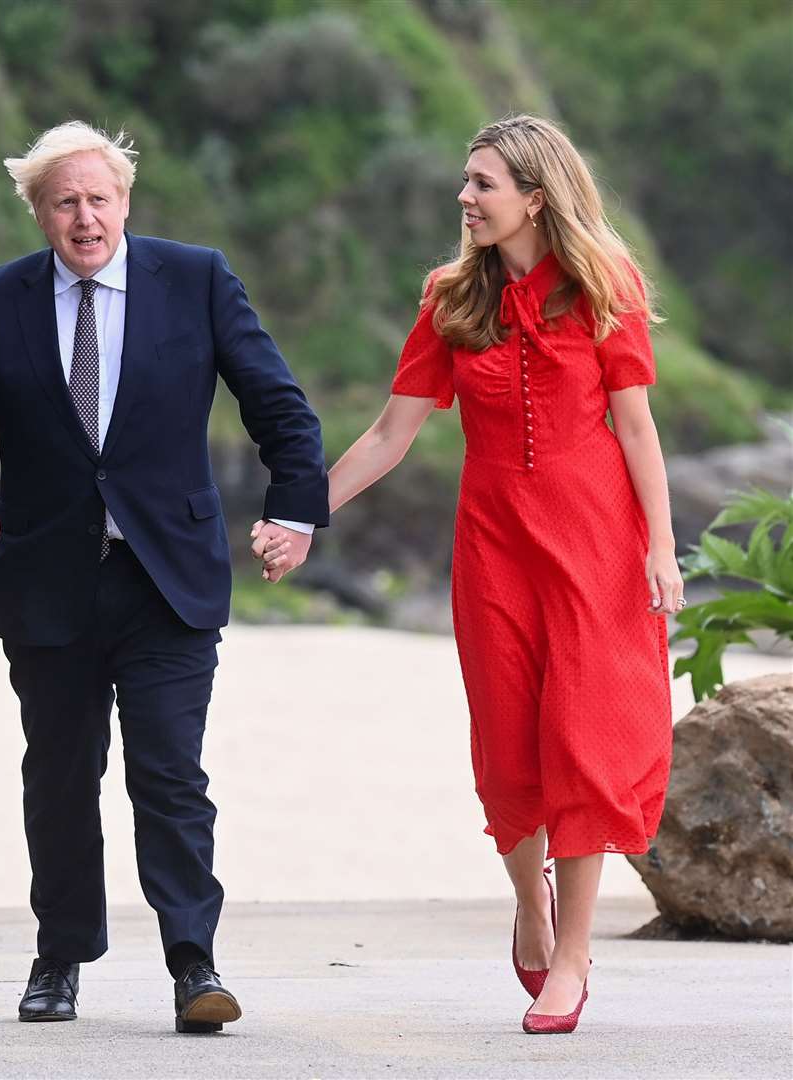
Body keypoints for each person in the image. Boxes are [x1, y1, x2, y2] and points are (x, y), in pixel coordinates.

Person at [265, 115, 682, 1034]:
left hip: (595, 547)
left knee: (581, 742)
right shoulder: (451, 298)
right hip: (494, 550)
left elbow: (638, 428)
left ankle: (572, 960)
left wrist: (660, 546)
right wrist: (303, 518)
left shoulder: (603, 285)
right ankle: (528, 905)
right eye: (466, 182)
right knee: (508, 749)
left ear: (536, 195)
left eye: (483, 183)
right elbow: (389, 434)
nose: (465, 197)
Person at [0, 121, 328, 1033]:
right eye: (64, 201)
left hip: (166, 579)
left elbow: (282, 411)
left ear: (127, 202)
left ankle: (193, 962)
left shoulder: (197, 279)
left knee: (169, 772)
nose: (84, 217)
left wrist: (292, 514)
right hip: (44, 581)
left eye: (99, 198)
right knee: (60, 776)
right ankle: (60, 956)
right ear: (39, 213)